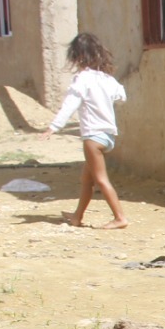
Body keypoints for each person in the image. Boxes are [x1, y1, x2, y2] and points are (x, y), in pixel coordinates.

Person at [42, 33, 128, 229]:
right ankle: (77, 216)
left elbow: (69, 105)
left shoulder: (82, 79)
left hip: (92, 137)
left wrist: (53, 127)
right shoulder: (107, 78)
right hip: (107, 136)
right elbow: (122, 96)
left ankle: (120, 217)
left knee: (100, 179)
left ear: (77, 56)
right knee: (86, 179)